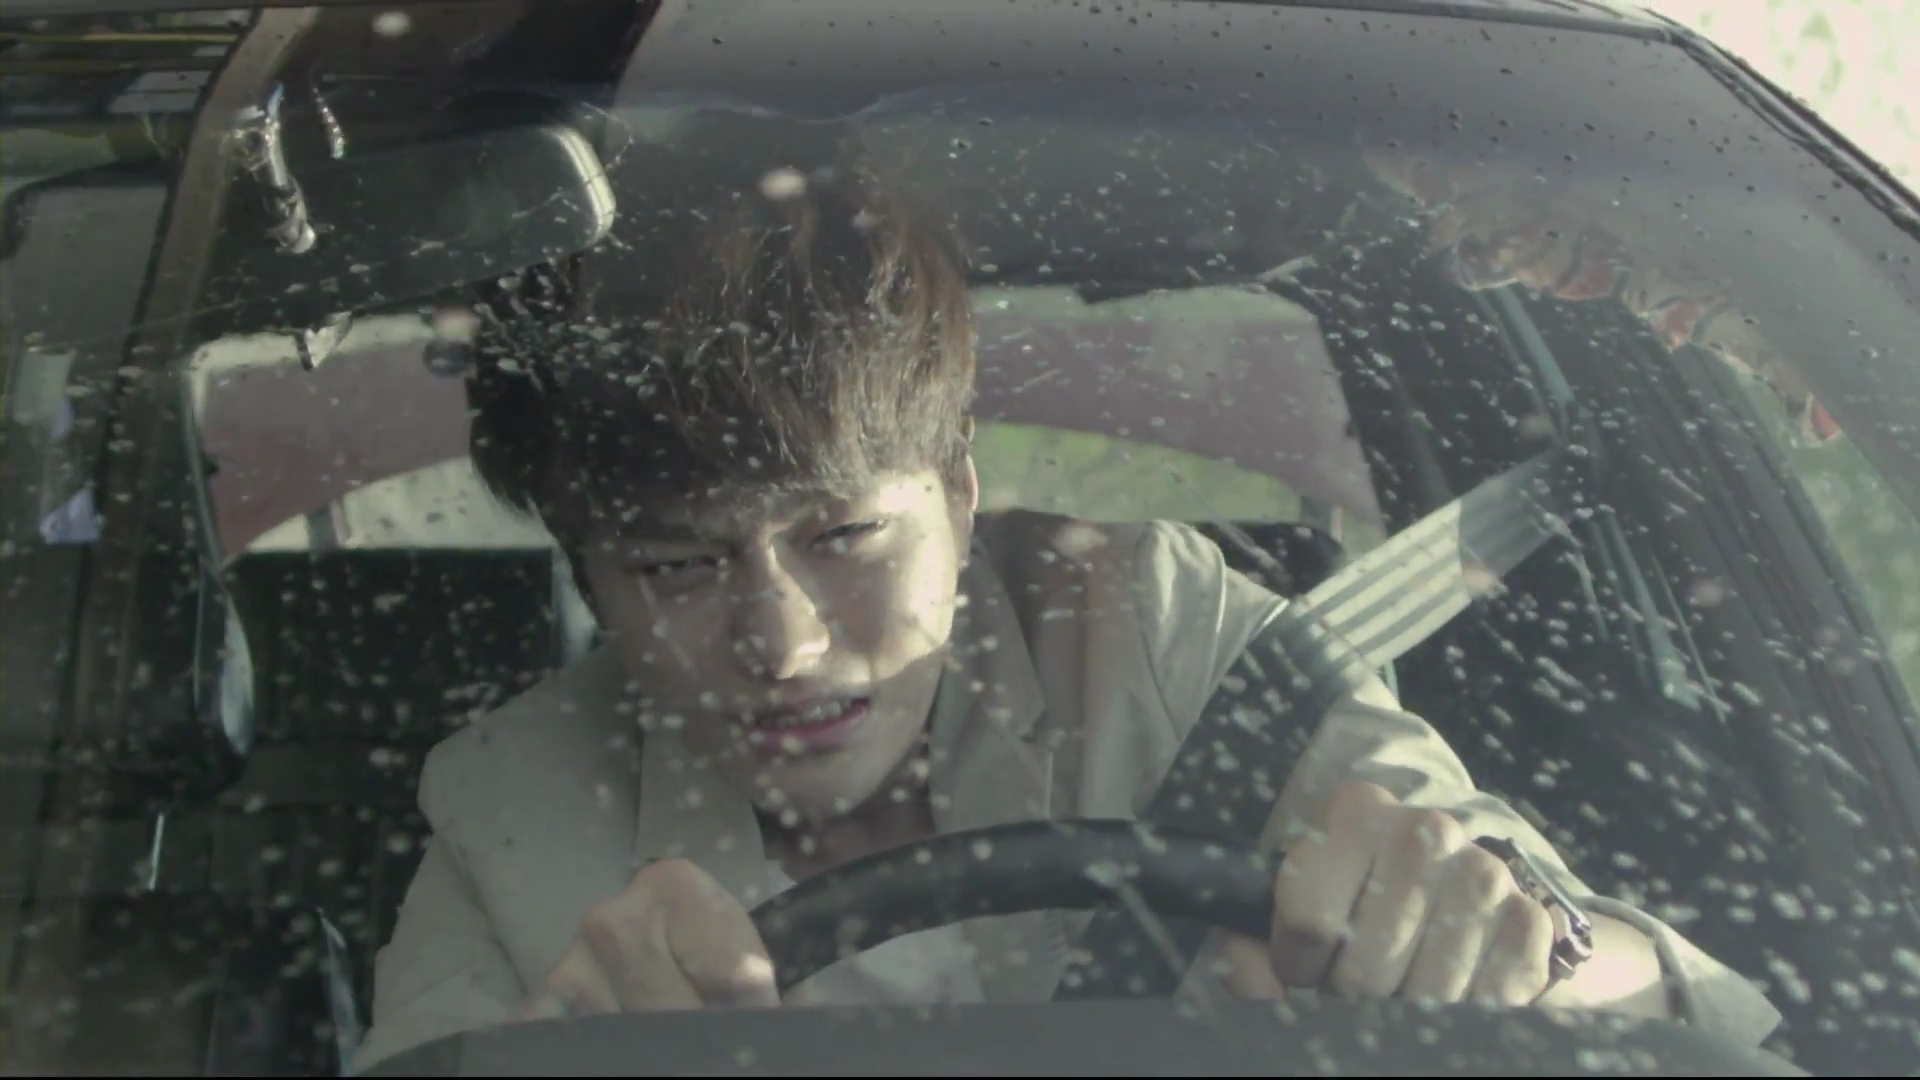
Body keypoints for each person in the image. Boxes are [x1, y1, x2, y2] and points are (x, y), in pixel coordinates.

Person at [349, 163, 1779, 1072]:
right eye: (674, 568)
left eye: (842, 537)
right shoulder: (510, 804)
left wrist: (1516, 942)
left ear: (963, 492)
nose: (781, 643)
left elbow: (1703, 1019)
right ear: (587, 578)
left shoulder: (1155, 626)